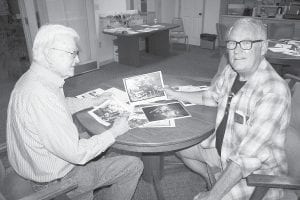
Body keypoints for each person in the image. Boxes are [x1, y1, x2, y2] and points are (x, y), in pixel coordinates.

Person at [6, 24, 143, 200]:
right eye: (73, 53)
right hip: (57, 180)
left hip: (35, 161)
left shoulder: (36, 79)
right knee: (133, 164)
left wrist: (93, 101)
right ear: (49, 54)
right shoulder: (41, 97)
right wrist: (115, 131)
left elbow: (60, 106)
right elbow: (77, 154)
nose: (77, 60)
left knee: (98, 138)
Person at [164, 17, 291, 200]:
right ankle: (212, 179)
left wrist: (212, 196)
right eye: (232, 43)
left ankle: (217, 187)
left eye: (246, 43)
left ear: (263, 47)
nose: (236, 51)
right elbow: (208, 97)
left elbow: (243, 160)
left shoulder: (273, 92)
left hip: (255, 175)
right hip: (225, 149)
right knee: (179, 146)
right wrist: (174, 94)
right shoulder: (232, 72)